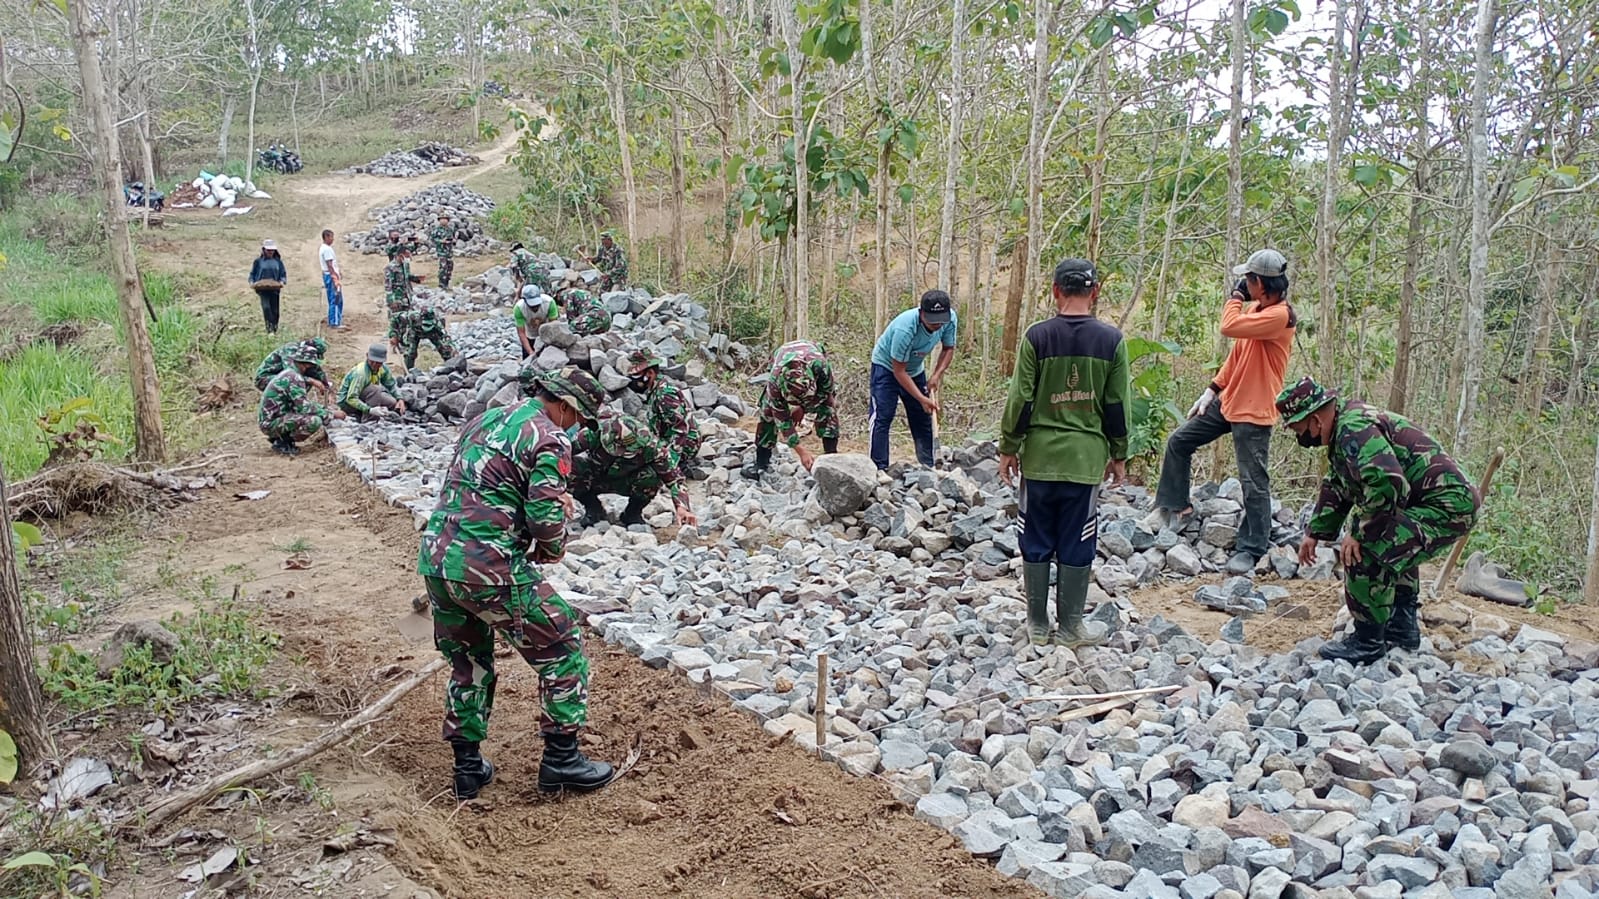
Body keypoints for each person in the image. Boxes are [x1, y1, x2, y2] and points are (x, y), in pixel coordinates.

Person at [417, 366, 617, 799]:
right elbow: (543, 519)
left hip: (437, 559)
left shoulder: (486, 418)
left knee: (469, 661)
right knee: (563, 644)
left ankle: (468, 768)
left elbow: (476, 486)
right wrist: (554, 542)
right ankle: (562, 760)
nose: (578, 427)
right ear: (564, 406)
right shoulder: (551, 437)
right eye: (579, 417)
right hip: (487, 567)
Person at [1276, 377, 1480, 663]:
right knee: (1396, 544)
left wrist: (1358, 531)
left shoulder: (1353, 429)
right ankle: (1401, 629)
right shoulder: (1345, 426)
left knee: (1365, 548)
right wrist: (1315, 532)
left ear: (1315, 420)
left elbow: (1387, 483)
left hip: (1445, 506)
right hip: (1442, 503)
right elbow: (1339, 483)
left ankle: (1367, 641)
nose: (1300, 438)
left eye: (1299, 429)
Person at [998, 259, 1129, 647]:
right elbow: (1117, 404)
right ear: (1095, 292)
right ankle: (1071, 626)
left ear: (1055, 290)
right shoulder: (1111, 341)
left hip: (1040, 458)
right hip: (1084, 461)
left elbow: (1020, 397)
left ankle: (1037, 625)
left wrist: (1009, 446)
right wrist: (1119, 453)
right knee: (1078, 539)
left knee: (1035, 536)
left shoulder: (1037, 337)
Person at [1141, 249, 1296, 575]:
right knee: (1179, 441)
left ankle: (1252, 546)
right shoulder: (1258, 310)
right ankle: (1175, 505)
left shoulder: (1279, 316)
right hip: (1230, 403)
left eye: (1248, 280)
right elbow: (1236, 358)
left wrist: (1234, 297)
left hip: (1253, 411)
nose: (1243, 284)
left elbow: (1228, 326)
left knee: (1253, 481)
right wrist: (1211, 391)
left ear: (1260, 283)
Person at [868, 290, 957, 470]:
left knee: (922, 417)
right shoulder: (905, 328)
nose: (938, 324)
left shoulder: (949, 320)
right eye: (933, 319)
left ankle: (929, 464)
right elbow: (899, 371)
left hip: (915, 369)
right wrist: (921, 397)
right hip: (886, 366)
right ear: (922, 313)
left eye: (941, 319)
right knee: (883, 415)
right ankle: (879, 468)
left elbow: (948, 348)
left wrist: (936, 375)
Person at [571, 411, 696, 529]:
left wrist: (682, 507)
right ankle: (593, 508)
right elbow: (561, 452)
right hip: (596, 476)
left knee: (652, 476)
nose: (621, 454)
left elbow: (675, 479)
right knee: (569, 466)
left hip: (627, 480)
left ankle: (632, 513)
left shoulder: (652, 448)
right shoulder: (591, 434)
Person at [742, 340, 839, 479]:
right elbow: (782, 420)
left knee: (828, 407)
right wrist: (801, 451)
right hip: (780, 356)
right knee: (767, 413)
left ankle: (832, 459)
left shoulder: (821, 366)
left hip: (811, 353)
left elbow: (827, 391)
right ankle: (761, 463)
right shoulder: (774, 383)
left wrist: (802, 408)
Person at [625, 349, 703, 479]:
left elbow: (680, 429)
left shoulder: (664, 395)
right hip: (666, 439)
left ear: (650, 373)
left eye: (636, 375)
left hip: (685, 445)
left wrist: (670, 463)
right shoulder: (655, 390)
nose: (633, 380)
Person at [258, 343, 344, 455]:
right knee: (314, 421)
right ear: (306, 365)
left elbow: (301, 404)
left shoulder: (290, 373)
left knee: (311, 415)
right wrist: (331, 414)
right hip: (270, 423)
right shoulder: (294, 378)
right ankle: (283, 442)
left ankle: (280, 438)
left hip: (274, 418)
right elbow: (305, 407)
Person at [337, 343, 407, 420]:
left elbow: (391, 385)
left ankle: (371, 411)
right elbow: (351, 398)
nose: (374, 364)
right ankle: (369, 421)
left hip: (366, 396)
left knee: (392, 402)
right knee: (375, 389)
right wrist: (370, 410)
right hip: (347, 404)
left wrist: (400, 399)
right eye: (372, 361)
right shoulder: (361, 373)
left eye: (378, 363)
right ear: (367, 356)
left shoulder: (383, 369)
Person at [390, 304, 457, 370]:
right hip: (415, 333)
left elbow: (446, 338)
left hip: (433, 333)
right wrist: (393, 335)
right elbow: (394, 318)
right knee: (410, 352)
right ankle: (408, 371)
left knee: (445, 349)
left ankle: (450, 367)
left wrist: (453, 349)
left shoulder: (438, 323)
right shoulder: (412, 316)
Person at [254, 337, 331, 392]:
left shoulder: (305, 353)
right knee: (298, 381)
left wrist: (325, 386)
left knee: (307, 376)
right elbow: (291, 375)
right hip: (265, 378)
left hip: (281, 376)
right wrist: (312, 381)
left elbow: (317, 370)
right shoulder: (290, 350)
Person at [249, 239, 287, 334]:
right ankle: (269, 330)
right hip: (262, 289)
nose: (270, 252)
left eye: (272, 250)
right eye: (268, 250)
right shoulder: (258, 262)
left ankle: (274, 329)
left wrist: (282, 281)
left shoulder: (278, 262)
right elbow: (252, 274)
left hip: (275, 289)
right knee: (266, 307)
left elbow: (283, 274)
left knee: (275, 311)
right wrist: (252, 282)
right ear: (264, 250)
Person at [513, 285, 559, 359]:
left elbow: (553, 325)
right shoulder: (519, 308)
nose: (535, 307)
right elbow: (521, 333)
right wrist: (531, 352)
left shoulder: (549, 302)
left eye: (537, 305)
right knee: (528, 360)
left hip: (546, 335)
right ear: (524, 300)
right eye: (532, 306)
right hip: (530, 335)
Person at [429, 214, 466, 290]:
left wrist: (453, 240)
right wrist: (441, 241)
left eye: (445, 219)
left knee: (450, 267)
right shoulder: (437, 230)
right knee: (443, 267)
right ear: (439, 220)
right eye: (442, 219)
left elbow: (453, 237)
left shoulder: (450, 229)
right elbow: (432, 239)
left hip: (449, 252)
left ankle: (447, 283)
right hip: (441, 252)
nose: (444, 220)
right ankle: (441, 284)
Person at [318, 229, 344, 329]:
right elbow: (329, 265)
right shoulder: (327, 249)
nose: (333, 239)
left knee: (334, 298)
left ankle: (334, 319)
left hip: (328, 275)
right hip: (330, 276)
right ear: (327, 237)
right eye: (331, 237)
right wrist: (335, 277)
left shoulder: (323, 248)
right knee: (336, 299)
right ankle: (335, 322)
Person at [384, 244, 421, 315]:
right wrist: (391, 300)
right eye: (407, 256)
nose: (409, 258)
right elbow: (388, 286)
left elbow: (406, 276)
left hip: (407, 296)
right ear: (400, 256)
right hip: (397, 298)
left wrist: (415, 278)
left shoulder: (405, 265)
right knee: (397, 320)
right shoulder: (390, 268)